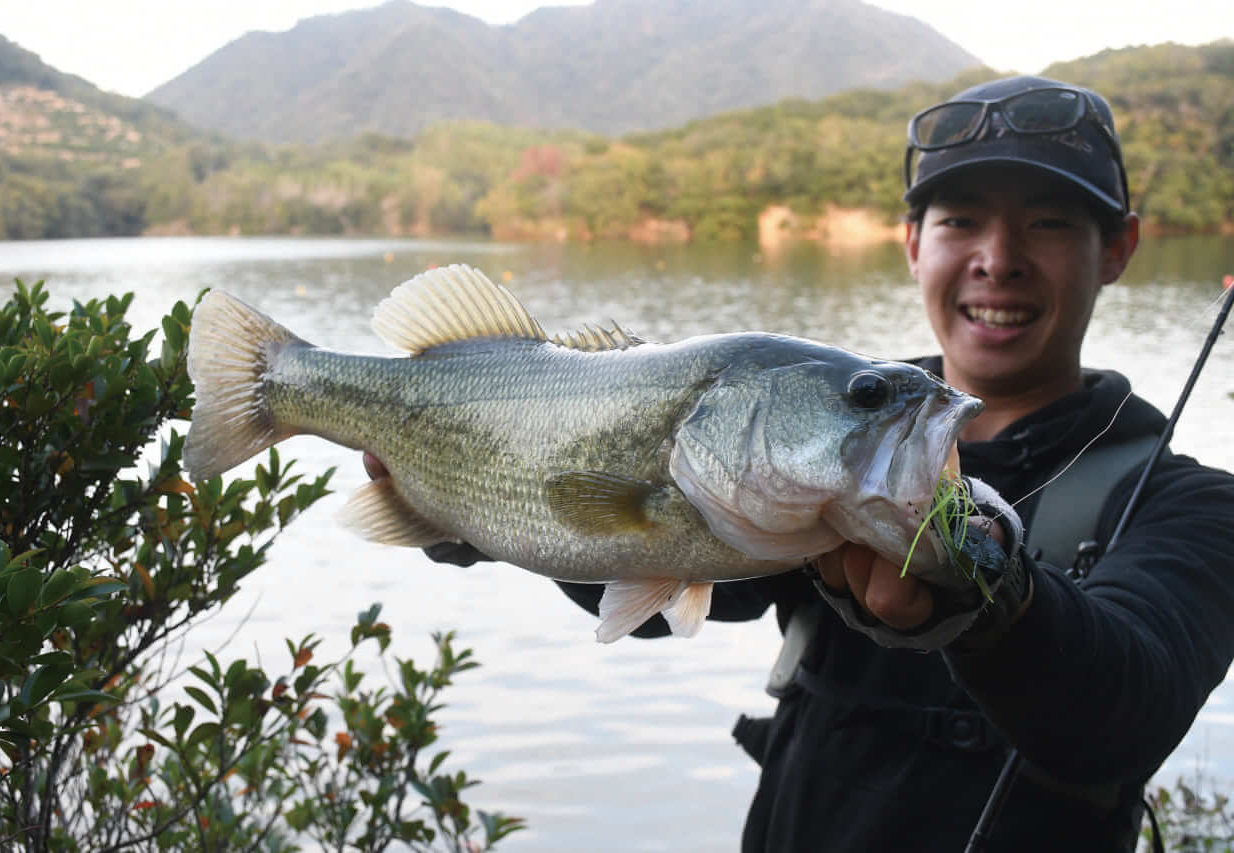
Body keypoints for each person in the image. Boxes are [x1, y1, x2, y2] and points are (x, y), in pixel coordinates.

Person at [404, 75, 1234, 851]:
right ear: (913, 243)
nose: (998, 257)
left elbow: (1126, 711)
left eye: (1048, 222)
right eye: (959, 221)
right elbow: (665, 592)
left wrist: (991, 595)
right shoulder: (815, 420)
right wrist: (475, 504)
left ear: (1119, 248)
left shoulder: (1191, 504)